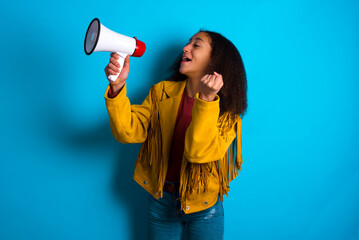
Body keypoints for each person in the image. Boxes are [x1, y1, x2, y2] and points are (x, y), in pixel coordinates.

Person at [104, 30, 247, 240]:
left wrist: (207, 102)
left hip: (205, 207)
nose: (185, 48)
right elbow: (128, 131)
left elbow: (198, 153)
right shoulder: (161, 92)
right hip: (161, 200)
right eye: (188, 43)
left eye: (196, 45)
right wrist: (117, 87)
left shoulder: (226, 113)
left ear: (215, 60)